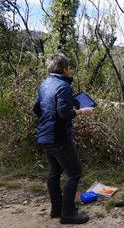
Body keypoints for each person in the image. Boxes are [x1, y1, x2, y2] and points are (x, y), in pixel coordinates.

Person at [33, 54, 93, 225]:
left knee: (54, 172)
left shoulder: (44, 84)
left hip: (45, 136)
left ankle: (56, 210)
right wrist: (82, 111)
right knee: (74, 173)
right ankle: (67, 215)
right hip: (59, 137)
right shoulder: (63, 86)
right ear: (65, 69)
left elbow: (36, 108)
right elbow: (64, 113)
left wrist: (48, 120)